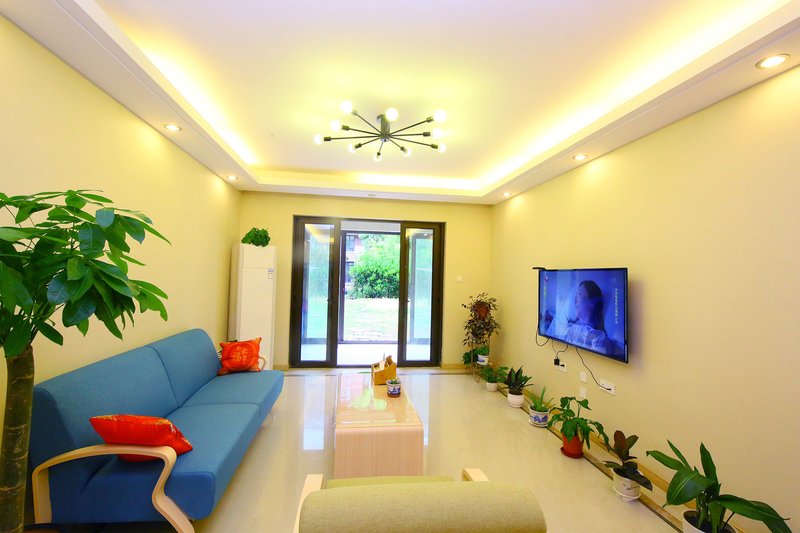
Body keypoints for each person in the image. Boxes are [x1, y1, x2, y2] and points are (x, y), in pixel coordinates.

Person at [545, 280, 612, 354]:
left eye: (580, 293)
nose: (575, 299)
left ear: (592, 302)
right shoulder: (569, 326)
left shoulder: (600, 338)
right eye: (576, 295)